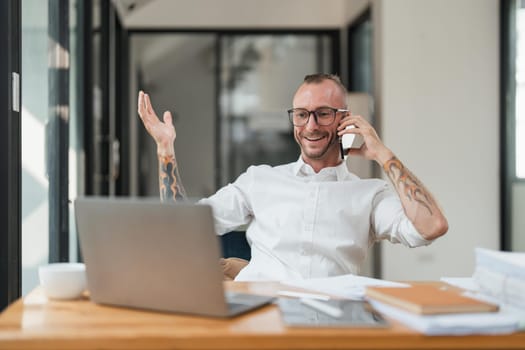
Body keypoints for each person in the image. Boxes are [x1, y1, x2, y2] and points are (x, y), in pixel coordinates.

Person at [137, 73, 448, 281]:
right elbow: (182, 228)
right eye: (301, 114)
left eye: (323, 113)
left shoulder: (369, 193)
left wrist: (382, 154)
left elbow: (432, 227)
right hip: (258, 322)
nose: (310, 125)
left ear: (345, 119)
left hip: (328, 328)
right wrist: (165, 149)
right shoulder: (260, 180)